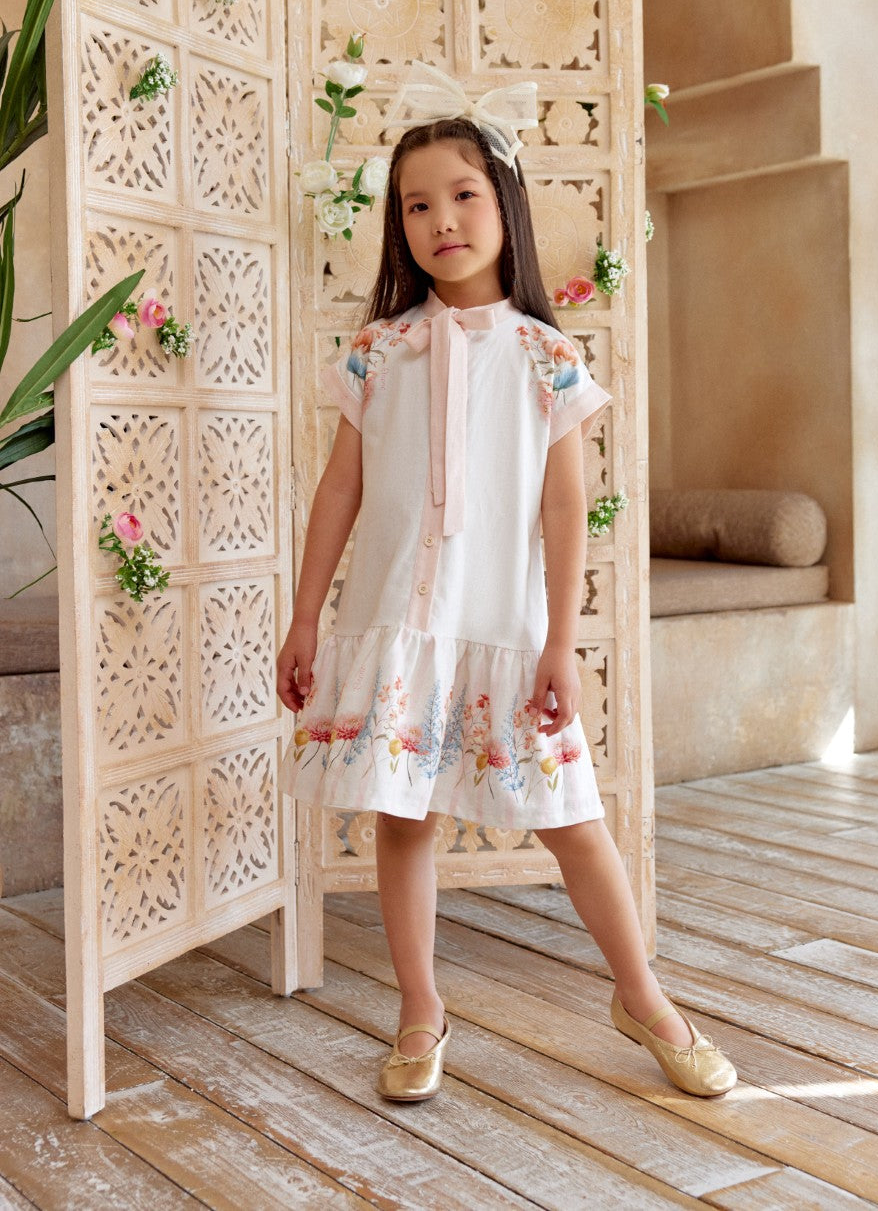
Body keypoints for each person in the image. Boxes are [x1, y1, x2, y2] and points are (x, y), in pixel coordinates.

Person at [276, 63, 737, 1103]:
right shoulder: (377, 353)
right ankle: (419, 1009)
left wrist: (558, 641)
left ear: (506, 204)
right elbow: (339, 492)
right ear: (397, 226)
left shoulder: (545, 358)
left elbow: (564, 510)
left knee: (571, 818)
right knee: (403, 819)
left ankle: (643, 998)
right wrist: (306, 617)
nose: (441, 219)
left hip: (504, 628)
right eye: (416, 205)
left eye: (462, 194)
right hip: (395, 624)